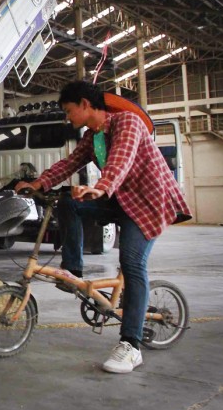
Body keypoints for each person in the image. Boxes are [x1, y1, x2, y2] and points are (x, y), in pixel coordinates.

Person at [14, 81, 191, 374]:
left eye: (69, 111)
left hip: (148, 203)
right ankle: (74, 271)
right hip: (119, 200)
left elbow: (120, 160)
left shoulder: (127, 123)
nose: (67, 118)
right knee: (68, 203)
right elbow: (68, 164)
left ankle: (131, 346)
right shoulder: (93, 136)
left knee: (132, 263)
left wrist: (101, 186)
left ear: (85, 104)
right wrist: (38, 183)